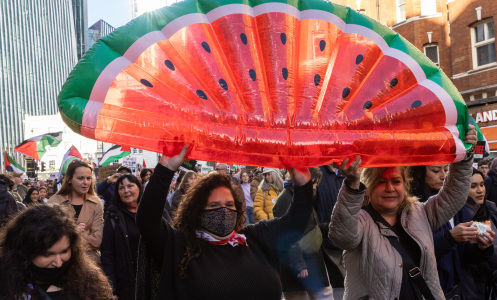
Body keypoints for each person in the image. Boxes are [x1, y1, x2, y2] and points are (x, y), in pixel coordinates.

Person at [135, 146, 314, 299]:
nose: (224, 210)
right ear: (197, 210)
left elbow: (295, 222)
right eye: (214, 205)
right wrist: (166, 169)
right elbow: (147, 220)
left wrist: (304, 185)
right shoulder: (179, 245)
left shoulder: (255, 238)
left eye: (229, 204)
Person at [328, 126, 483, 299]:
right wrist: (351, 183)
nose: (390, 188)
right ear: (369, 185)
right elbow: (342, 237)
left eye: (396, 181)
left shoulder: (420, 213)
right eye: (381, 181)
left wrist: (465, 154)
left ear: (405, 184)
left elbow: (454, 194)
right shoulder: (359, 219)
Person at [410, 164, 491, 297]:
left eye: (447, 170)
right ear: (419, 173)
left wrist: (482, 248)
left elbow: (463, 256)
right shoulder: (413, 209)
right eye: (436, 170)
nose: (443, 175)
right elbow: (413, 252)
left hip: (459, 288)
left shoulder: (459, 206)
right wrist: (449, 238)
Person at [0, 204, 113, 299]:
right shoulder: (7, 287)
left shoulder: (90, 283)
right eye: (47, 254)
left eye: (64, 251)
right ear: (25, 252)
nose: (58, 263)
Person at [273, 168, 333, 300]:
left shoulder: (302, 196)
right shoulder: (286, 198)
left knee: (325, 295)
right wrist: (299, 264)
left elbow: (309, 226)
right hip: (296, 263)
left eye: (316, 182)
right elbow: (286, 235)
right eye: (312, 182)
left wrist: (328, 228)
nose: (315, 186)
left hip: (310, 260)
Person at [48, 160, 104, 262]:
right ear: (69, 179)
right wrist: (74, 230)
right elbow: (49, 238)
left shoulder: (96, 203)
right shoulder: (54, 202)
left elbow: (96, 241)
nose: (85, 182)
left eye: (88, 178)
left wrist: (68, 236)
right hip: (60, 263)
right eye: (80, 178)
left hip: (89, 264)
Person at [454, 169, 497, 299]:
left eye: (482, 184)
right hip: (471, 285)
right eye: (473, 186)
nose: (480, 190)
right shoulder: (456, 216)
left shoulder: (491, 208)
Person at [100, 174, 142, 300]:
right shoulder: (113, 216)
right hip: (125, 282)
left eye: (130, 186)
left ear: (139, 188)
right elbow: (107, 254)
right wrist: (112, 288)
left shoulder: (153, 210)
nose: (126, 191)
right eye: (121, 188)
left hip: (153, 279)